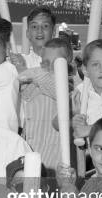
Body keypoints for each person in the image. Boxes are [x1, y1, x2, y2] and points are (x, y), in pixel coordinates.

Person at [19, 38, 73, 177]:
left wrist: (30, 72)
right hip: (32, 151)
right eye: (45, 63)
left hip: (53, 160)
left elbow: (58, 90)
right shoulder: (40, 80)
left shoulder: (69, 85)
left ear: (67, 62)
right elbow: (26, 96)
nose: (48, 68)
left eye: (55, 64)